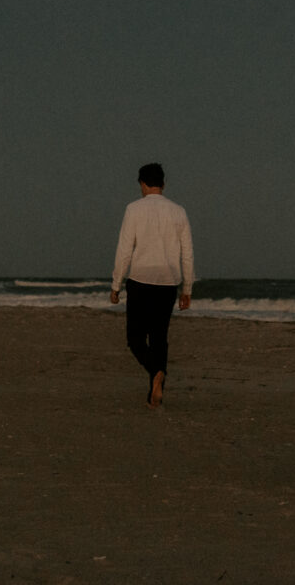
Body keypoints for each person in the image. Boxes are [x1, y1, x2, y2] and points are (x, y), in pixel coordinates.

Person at [111, 163, 195, 408]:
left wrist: (116, 284)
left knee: (135, 339)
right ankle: (157, 387)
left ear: (142, 184)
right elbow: (187, 253)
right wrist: (187, 288)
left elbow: (125, 249)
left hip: (139, 280)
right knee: (160, 337)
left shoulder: (134, 209)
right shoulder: (179, 211)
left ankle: (156, 371)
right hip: (168, 281)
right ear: (163, 184)